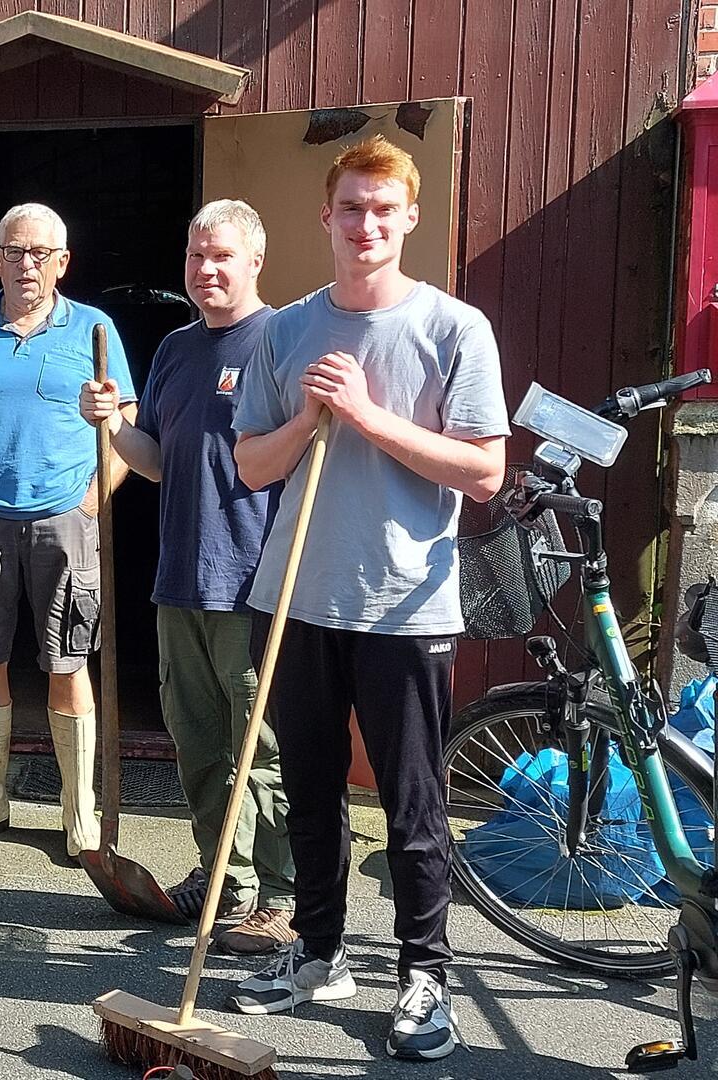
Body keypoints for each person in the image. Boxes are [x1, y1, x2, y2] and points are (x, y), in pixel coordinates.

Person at [225, 136, 507, 1062]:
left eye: (384, 209)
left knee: (412, 802)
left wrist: (371, 418)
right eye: (352, 207)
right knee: (308, 790)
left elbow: (484, 472)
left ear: (410, 218)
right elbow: (250, 464)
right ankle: (317, 951)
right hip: (298, 594)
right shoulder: (285, 330)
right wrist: (310, 416)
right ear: (326, 215)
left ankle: (424, 973)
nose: (367, 225)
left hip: (402, 603)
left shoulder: (454, 327)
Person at [79, 199, 296, 956]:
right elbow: (160, 461)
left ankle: (282, 894)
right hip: (182, 577)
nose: (206, 269)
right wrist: (111, 423)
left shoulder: (281, 341)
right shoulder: (174, 349)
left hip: (255, 582)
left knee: (259, 750)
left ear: (254, 262)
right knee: (199, 744)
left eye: (223, 257)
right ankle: (222, 878)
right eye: (196, 255)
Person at [0, 203, 133, 863]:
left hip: (64, 519)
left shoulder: (95, 329)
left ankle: (80, 814)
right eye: (14, 252)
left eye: (40, 254)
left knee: (67, 661)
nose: (27, 265)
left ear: (62, 262)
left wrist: (89, 499)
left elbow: (124, 428)